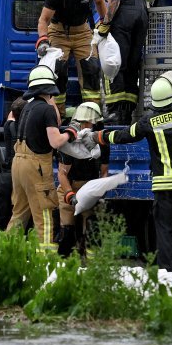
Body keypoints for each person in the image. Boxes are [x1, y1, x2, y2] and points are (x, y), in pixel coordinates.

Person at [92, 71, 172, 274]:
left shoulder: (148, 123)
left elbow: (125, 135)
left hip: (164, 185)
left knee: (164, 231)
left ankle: (167, 273)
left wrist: (100, 136)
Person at [5, 65, 81, 252]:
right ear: (50, 87)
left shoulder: (27, 108)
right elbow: (55, 141)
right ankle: (45, 262)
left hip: (18, 164)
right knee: (44, 216)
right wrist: (71, 133)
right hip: (36, 166)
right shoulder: (46, 110)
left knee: (19, 214)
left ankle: (5, 254)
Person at [36, 0, 108, 119]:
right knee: (58, 71)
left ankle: (92, 116)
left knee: (91, 69)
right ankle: (57, 115)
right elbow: (43, 19)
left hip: (83, 31)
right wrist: (42, 39)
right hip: (59, 32)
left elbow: (100, 1)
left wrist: (104, 21)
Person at [98, 0, 157, 125]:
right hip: (141, 14)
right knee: (132, 66)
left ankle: (115, 115)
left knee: (114, 64)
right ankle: (127, 114)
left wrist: (106, 23)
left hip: (123, 15)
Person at [56, 101, 109, 257]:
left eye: (90, 122)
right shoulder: (70, 142)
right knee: (67, 232)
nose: (87, 125)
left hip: (89, 188)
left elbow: (104, 171)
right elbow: (62, 173)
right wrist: (69, 195)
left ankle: (90, 268)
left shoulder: (102, 142)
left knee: (92, 230)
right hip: (69, 187)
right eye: (84, 122)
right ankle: (62, 265)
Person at [0, 96, 27, 230]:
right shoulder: (27, 128)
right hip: (20, 174)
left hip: (6, 176)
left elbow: (11, 116)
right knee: (18, 209)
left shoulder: (8, 126)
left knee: (0, 211)